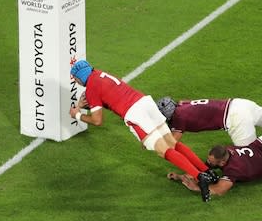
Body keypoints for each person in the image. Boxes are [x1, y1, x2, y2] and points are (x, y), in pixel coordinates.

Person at [68, 60, 217, 202]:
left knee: (162, 150)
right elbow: (107, 98)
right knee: (171, 142)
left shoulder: (92, 86)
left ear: (80, 76)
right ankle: (208, 171)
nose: (76, 82)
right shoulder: (100, 74)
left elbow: (97, 120)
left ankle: (199, 177)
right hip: (145, 102)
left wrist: (77, 114)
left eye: (75, 78)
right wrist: (82, 105)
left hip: (134, 113)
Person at [168, 97, 262, 196]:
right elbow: (205, 169)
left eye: (212, 163)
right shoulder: (229, 150)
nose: (208, 165)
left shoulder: (233, 170)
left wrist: (196, 187)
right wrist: (182, 176)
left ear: (222, 163)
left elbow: (219, 189)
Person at [156, 81, 262, 146]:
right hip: (240, 104)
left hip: (236, 120)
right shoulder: (183, 104)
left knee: (256, 155)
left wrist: (150, 139)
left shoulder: (179, 118)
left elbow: (171, 143)